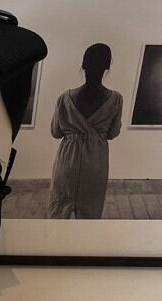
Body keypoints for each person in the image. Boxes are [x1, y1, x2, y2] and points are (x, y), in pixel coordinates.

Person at [48, 43, 123, 219]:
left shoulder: (65, 98)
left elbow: (55, 132)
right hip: (96, 163)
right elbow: (113, 133)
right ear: (107, 67)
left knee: (59, 211)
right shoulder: (116, 99)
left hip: (68, 162)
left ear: (83, 65)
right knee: (91, 214)